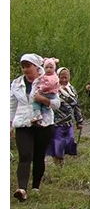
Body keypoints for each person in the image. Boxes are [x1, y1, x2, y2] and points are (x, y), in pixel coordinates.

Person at [11, 53, 61, 201]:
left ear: (36, 66)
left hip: (43, 123)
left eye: (28, 66)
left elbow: (56, 104)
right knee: (25, 155)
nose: (26, 70)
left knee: (39, 156)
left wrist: (42, 99)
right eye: (23, 67)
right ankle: (21, 189)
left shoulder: (47, 80)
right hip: (23, 123)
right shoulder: (16, 83)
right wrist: (8, 124)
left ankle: (36, 186)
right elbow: (11, 105)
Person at [46, 67, 83, 167]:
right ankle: (58, 164)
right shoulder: (53, 90)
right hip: (56, 123)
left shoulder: (72, 90)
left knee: (69, 141)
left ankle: (61, 161)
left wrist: (79, 120)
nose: (63, 80)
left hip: (69, 122)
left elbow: (76, 106)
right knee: (57, 144)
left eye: (66, 77)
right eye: (61, 78)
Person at [30, 57, 60, 123]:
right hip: (46, 93)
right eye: (47, 67)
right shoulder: (43, 77)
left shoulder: (53, 77)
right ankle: (40, 117)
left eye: (51, 67)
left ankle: (39, 116)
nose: (49, 69)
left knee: (36, 103)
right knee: (43, 105)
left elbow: (49, 85)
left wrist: (40, 89)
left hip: (49, 93)